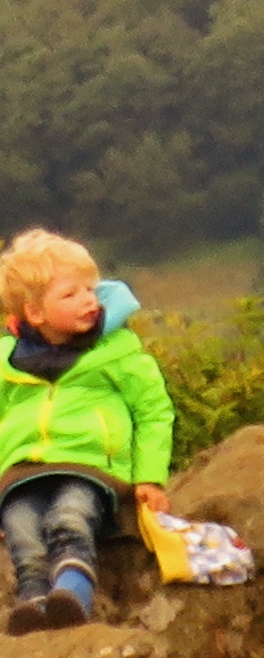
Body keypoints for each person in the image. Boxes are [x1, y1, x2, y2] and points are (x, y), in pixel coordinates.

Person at [0, 233, 165, 635]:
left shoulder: (117, 351)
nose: (91, 300)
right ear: (35, 313)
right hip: (22, 471)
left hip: (89, 466)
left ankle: (73, 594)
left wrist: (150, 476)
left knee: (69, 518)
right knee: (21, 529)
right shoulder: (8, 361)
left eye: (90, 289)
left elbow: (153, 412)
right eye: (71, 294)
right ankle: (34, 602)